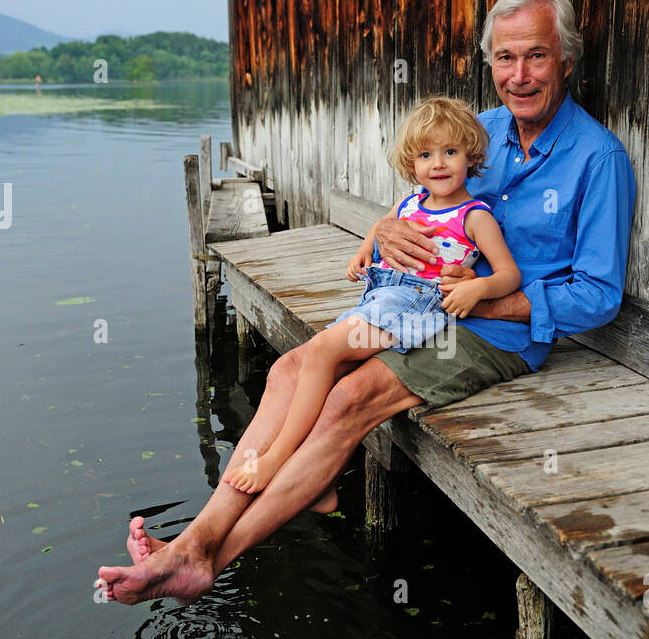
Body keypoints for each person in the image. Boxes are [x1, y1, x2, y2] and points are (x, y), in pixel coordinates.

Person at [97, 0, 635, 605]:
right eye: (505, 58)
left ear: (567, 60)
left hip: (498, 331)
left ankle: (208, 559)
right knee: (291, 368)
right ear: (489, 64)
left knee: (347, 396)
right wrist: (383, 229)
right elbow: (423, 204)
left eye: (536, 56)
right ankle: (199, 537)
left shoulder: (599, 158)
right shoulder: (475, 132)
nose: (519, 75)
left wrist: (483, 302)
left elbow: (598, 297)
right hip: (414, 307)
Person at [222, 96, 520, 495]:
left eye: (451, 152)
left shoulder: (474, 216)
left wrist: (478, 287)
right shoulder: (411, 203)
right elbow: (378, 231)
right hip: (383, 296)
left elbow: (509, 274)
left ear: (471, 156)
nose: (439, 164)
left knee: (322, 352)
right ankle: (319, 479)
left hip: (419, 306)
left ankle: (276, 460)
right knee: (325, 360)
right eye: (426, 154)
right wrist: (362, 254)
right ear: (411, 163)